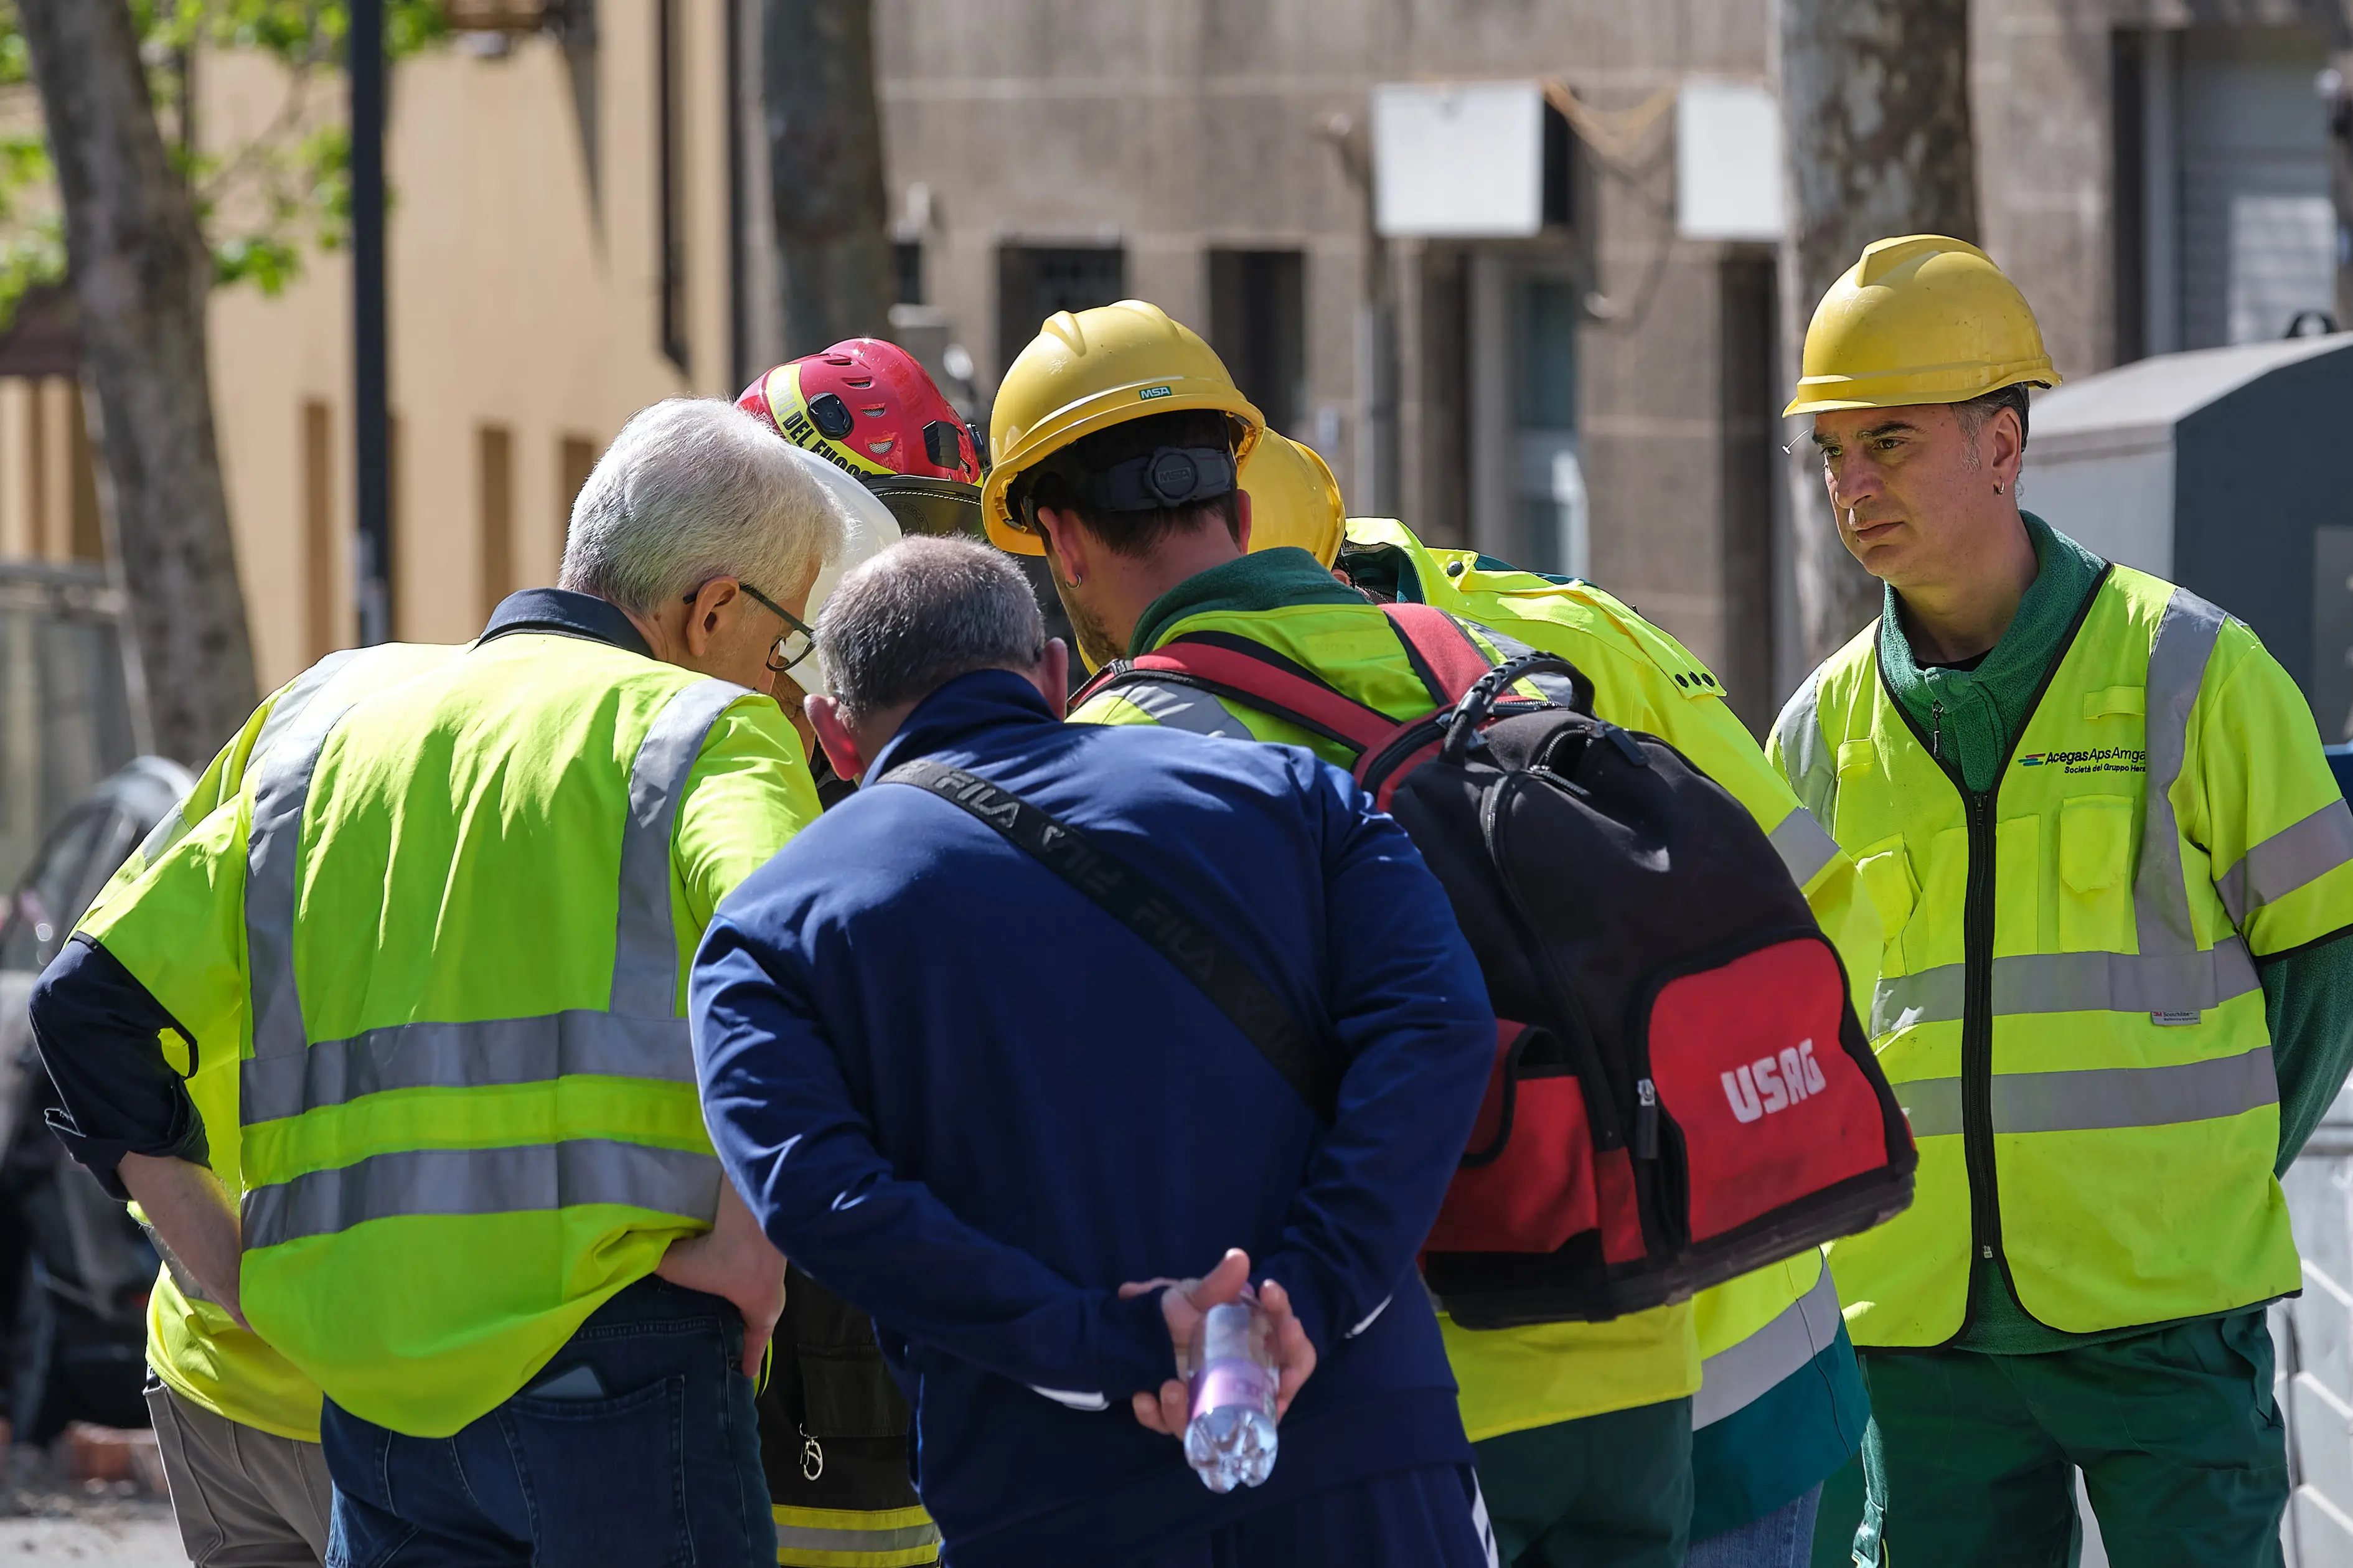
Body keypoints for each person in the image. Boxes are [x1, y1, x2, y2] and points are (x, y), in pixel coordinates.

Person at [977, 298, 1880, 1568]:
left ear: (1062, 541)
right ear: (1238, 495)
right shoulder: (1485, 655)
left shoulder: (1117, 759)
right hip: (1629, 1353)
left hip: (1414, 1384)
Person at [31, 397, 843, 1567]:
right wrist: (750, 1249)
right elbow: (806, 953)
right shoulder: (707, 731)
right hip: (620, 1363)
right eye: (786, 643)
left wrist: (233, 1271)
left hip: (376, 1406)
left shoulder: (332, 731)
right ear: (713, 608)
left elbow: (86, 1004)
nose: (786, 683)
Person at [690, 535, 1499, 1568]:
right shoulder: (1300, 796)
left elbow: (821, 1198)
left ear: (833, 736)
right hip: (1366, 1456)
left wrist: (1103, 1344)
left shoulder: (767, 933)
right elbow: (1437, 1025)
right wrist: (1307, 1293)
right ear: (1055, 674)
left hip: (1049, 1501)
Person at [1770, 233, 2353, 1567]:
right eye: (1833, 451)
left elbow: (2326, 959)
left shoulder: (2194, 668)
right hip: (1919, 1339)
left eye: (1891, 440)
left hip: (2164, 1319)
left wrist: (2206, 1182)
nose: (1854, 484)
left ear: (2003, 442)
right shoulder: (1817, 732)